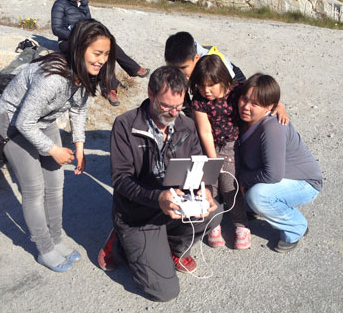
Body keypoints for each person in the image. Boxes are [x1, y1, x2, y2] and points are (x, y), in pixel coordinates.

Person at [0, 19, 117, 272]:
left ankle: (56, 240)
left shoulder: (84, 73)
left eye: (105, 54)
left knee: (56, 184)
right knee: (34, 189)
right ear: (80, 48)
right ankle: (44, 248)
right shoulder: (52, 78)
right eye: (96, 53)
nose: (101, 59)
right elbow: (25, 122)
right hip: (13, 125)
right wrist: (53, 150)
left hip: (43, 120)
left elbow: (78, 110)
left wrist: (79, 147)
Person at [98, 66, 223, 302]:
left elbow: (197, 161)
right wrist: (157, 198)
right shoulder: (125, 126)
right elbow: (121, 180)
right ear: (150, 94)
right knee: (165, 292)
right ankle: (121, 242)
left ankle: (173, 249)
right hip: (138, 214)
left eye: (179, 106)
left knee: (213, 213)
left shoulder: (186, 124)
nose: (174, 112)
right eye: (166, 106)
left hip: (174, 206)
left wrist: (205, 188)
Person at [238, 74, 322, 253]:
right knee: (242, 197)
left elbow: (273, 175)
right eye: (244, 99)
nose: (246, 107)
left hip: (303, 182)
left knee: (257, 196)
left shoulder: (272, 127)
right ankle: (259, 204)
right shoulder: (243, 117)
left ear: (270, 106)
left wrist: (243, 179)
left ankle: (296, 227)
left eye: (255, 104)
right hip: (276, 176)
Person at [51, 0, 149, 106]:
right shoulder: (60, 4)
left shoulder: (84, 4)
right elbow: (56, 29)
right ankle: (110, 88)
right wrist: (78, 36)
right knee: (98, 50)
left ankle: (129, 73)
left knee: (108, 44)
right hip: (67, 42)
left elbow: (90, 25)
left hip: (85, 39)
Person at [189, 54, 250, 249]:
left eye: (211, 85)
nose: (206, 90)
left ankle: (241, 225)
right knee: (210, 184)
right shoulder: (199, 99)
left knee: (230, 184)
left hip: (232, 144)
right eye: (201, 85)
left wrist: (279, 107)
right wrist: (213, 160)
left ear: (224, 80)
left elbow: (259, 102)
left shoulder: (238, 92)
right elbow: (205, 131)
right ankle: (213, 225)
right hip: (209, 146)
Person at [164, 31, 246, 118]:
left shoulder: (214, 62)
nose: (178, 72)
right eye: (174, 68)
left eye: (183, 68)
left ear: (196, 58)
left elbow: (227, 90)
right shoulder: (174, 61)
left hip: (232, 79)